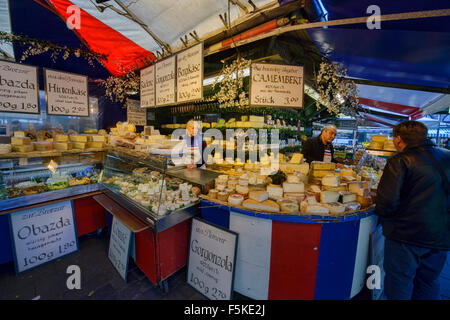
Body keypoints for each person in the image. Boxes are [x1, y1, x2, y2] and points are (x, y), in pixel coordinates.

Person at [375, 120, 449, 300]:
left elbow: (387, 202)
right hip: (440, 236)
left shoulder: (400, 160)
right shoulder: (447, 157)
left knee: (399, 283)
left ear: (399, 139)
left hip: (405, 236)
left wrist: (384, 221)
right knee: (428, 283)